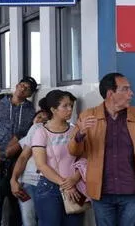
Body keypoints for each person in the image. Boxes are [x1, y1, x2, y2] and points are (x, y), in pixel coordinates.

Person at [68, 73, 135, 226]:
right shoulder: (88, 116)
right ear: (110, 93)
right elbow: (74, 151)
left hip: (131, 191)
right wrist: (80, 134)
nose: (131, 93)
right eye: (125, 89)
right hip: (101, 192)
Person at [31, 90, 86, 226]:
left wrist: (74, 179)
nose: (70, 109)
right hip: (50, 187)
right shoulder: (41, 132)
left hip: (75, 186)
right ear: (53, 109)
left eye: (71, 106)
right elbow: (41, 165)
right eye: (65, 106)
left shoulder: (75, 130)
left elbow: (84, 158)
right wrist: (65, 184)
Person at [0, 76, 37, 225]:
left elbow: (28, 134)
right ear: (16, 85)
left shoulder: (30, 110)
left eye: (27, 88)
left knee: (16, 199)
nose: (23, 89)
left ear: (30, 94)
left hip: (17, 160)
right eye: (22, 85)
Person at [10, 110, 48, 226]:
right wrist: (14, 179)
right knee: (28, 220)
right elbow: (21, 156)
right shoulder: (32, 132)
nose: (40, 121)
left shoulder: (51, 132)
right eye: (39, 117)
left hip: (47, 183)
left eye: (44, 119)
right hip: (28, 182)